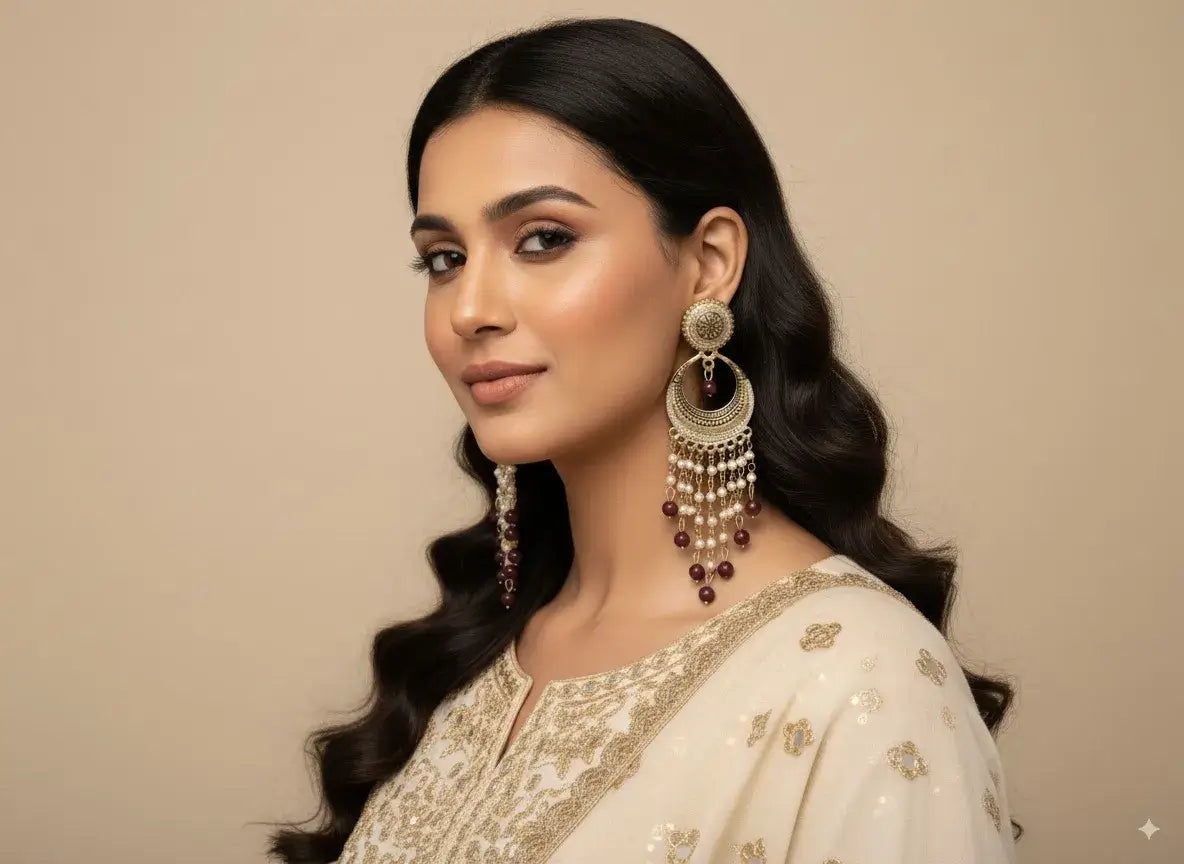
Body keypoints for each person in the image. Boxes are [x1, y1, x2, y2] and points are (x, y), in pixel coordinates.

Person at [268, 16, 1021, 864]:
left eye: (542, 239)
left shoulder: (859, 677)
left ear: (707, 263)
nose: (469, 309)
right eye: (443, 257)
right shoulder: (473, 655)